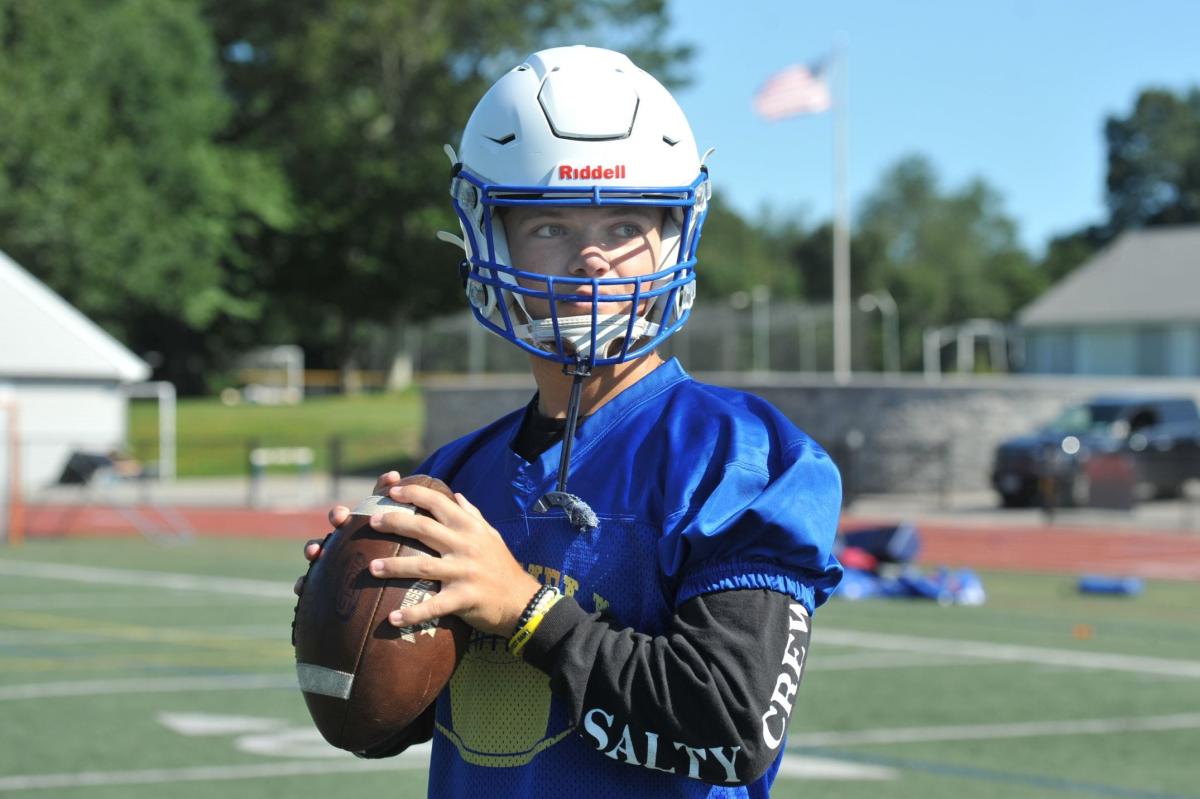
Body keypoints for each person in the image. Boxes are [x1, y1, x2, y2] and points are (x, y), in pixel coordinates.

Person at [296, 45, 843, 797]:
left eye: (623, 226)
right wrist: (357, 615)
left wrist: (526, 611)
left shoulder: (738, 457)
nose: (592, 257)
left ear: (674, 234)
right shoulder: (455, 477)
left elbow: (733, 724)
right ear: (491, 237)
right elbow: (384, 727)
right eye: (549, 225)